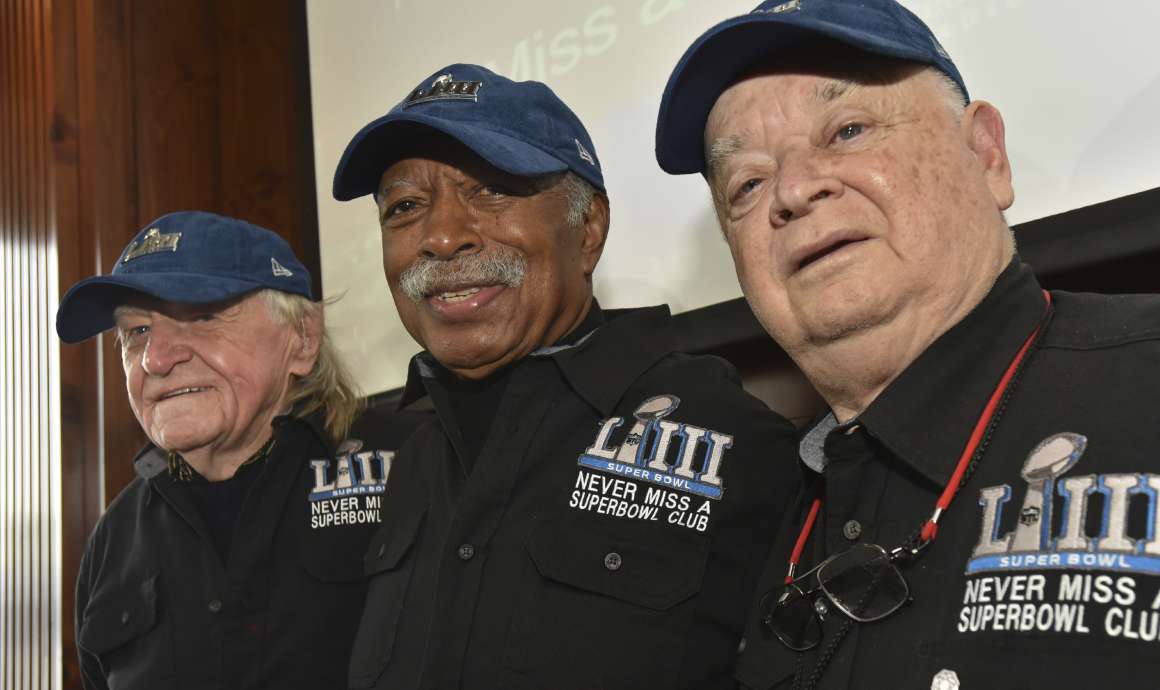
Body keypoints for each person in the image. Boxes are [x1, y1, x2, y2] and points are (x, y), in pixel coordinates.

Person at [654, 1, 1160, 688]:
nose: (795, 190)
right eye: (746, 183)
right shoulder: (769, 509)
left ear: (986, 154)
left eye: (848, 130)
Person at [330, 63, 799, 689]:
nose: (440, 237)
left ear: (589, 229)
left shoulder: (728, 436)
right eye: (407, 207)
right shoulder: (406, 464)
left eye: (490, 190)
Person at [59, 211, 415, 689]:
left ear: (303, 338)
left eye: (203, 315)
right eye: (137, 331)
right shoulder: (113, 540)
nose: (156, 359)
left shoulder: (415, 466)